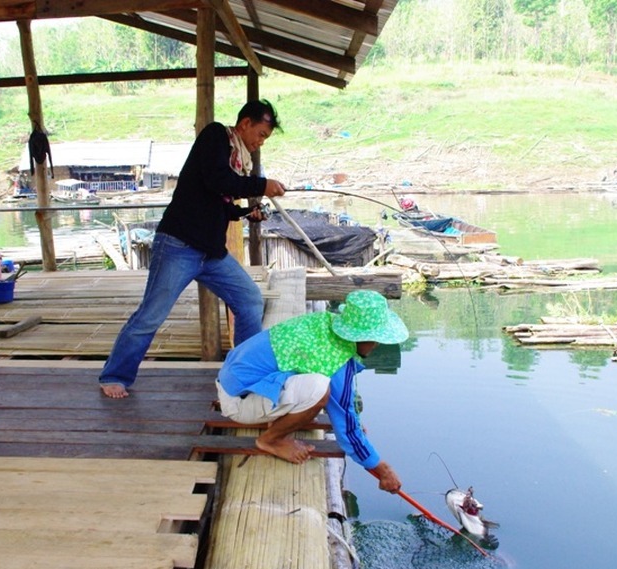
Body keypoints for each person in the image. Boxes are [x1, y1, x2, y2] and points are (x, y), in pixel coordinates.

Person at [99, 100, 286, 398]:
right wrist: (261, 185)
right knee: (151, 315)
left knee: (250, 300)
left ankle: (245, 372)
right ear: (246, 123)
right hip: (178, 245)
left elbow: (218, 204)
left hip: (211, 253)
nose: (260, 142)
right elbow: (216, 181)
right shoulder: (215, 137)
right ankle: (115, 376)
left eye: (265, 138)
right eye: (261, 134)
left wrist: (244, 213)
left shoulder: (236, 161)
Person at [215, 290, 408, 493]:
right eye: (376, 339)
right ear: (362, 337)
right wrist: (382, 469)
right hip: (238, 401)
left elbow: (345, 399)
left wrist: (355, 421)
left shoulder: (325, 323)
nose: (376, 345)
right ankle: (271, 440)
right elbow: (347, 432)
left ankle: (277, 417)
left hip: (232, 381)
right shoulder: (336, 360)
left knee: (320, 389)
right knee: (319, 389)